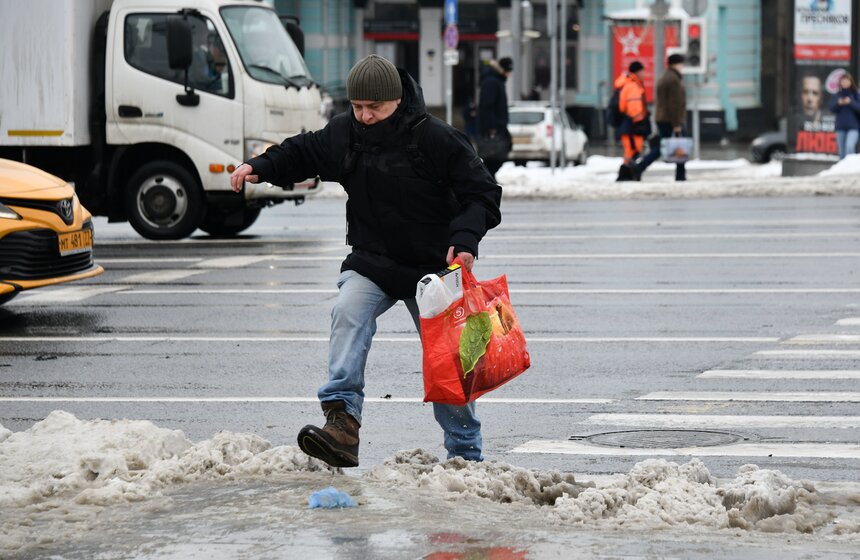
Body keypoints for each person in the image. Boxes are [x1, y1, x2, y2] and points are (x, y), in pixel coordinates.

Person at [229, 54, 502, 468]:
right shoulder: (347, 134)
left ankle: (464, 454)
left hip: (433, 270)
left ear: (396, 100)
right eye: (357, 107)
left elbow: (481, 193)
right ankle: (342, 422)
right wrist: (261, 165)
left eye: (373, 108)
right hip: (372, 261)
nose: (365, 116)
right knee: (347, 313)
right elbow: (304, 150)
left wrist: (465, 239)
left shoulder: (435, 137)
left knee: (448, 361)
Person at [636, 53, 687, 181]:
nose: (682, 66)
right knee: (675, 146)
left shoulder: (666, 76)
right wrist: (676, 124)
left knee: (666, 146)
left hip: (664, 118)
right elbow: (674, 103)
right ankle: (680, 175)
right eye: (681, 63)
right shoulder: (672, 79)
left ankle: (640, 168)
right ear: (676, 64)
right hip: (670, 119)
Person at [477, 57, 513, 178]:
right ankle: (487, 178)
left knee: (500, 151)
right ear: (502, 69)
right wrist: (491, 126)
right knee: (494, 154)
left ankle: (489, 177)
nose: (509, 74)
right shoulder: (492, 82)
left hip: (499, 124)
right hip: (494, 126)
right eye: (508, 70)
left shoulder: (496, 80)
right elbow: (487, 105)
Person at [615, 61, 650, 181]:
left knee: (631, 150)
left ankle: (628, 173)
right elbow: (633, 106)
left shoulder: (630, 84)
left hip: (628, 123)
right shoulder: (633, 86)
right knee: (633, 149)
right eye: (642, 70)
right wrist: (639, 121)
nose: (644, 73)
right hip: (633, 124)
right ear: (637, 71)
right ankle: (626, 174)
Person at [829, 72, 860, 159]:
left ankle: (851, 168)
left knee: (849, 146)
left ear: (851, 82)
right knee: (842, 152)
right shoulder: (837, 95)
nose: (845, 83)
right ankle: (843, 171)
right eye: (843, 81)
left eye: (847, 81)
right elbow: (831, 108)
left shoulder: (856, 94)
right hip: (840, 127)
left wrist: (850, 102)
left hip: (854, 127)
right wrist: (839, 103)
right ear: (840, 83)